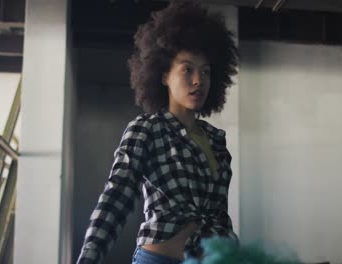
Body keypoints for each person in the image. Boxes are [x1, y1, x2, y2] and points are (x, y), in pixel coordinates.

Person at [77, 2, 239, 263]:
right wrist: (89, 257)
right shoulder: (146, 129)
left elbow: (219, 216)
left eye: (206, 71)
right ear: (164, 75)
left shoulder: (217, 140)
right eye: (187, 69)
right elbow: (116, 197)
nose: (199, 80)